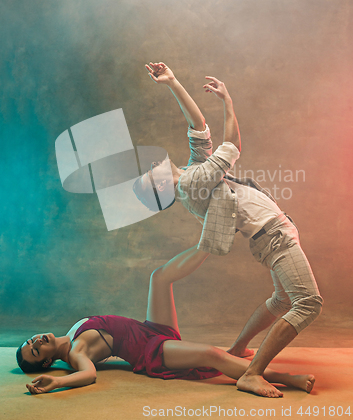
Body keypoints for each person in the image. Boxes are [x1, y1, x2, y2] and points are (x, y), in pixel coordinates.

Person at [133, 62, 323, 398]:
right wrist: (228, 102)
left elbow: (198, 126)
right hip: (273, 236)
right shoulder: (192, 184)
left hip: (274, 232)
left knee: (281, 300)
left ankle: (237, 350)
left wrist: (173, 82)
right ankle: (251, 374)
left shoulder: (192, 172)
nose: (151, 164)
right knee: (307, 303)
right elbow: (232, 146)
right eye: (148, 173)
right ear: (160, 187)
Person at [17, 246, 315, 397]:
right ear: (45, 362)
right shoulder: (75, 353)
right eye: (34, 351)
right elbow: (88, 375)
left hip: (150, 331)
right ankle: (285, 378)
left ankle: (210, 241)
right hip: (151, 352)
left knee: (158, 277)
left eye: (30, 340)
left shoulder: (70, 334)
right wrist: (57, 381)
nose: (35, 342)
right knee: (211, 353)